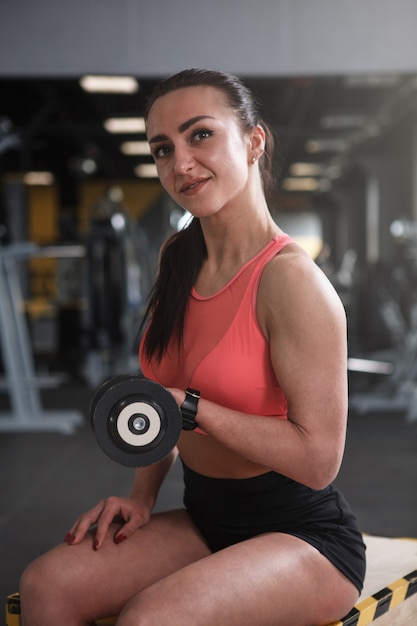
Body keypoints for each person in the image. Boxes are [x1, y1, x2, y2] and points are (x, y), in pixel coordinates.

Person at [20, 68, 366, 626]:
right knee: (46, 587)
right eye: (162, 148)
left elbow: (319, 461)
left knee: (151, 619)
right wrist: (141, 496)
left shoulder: (291, 281)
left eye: (200, 134)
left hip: (303, 534)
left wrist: (191, 407)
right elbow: (158, 399)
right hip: (207, 518)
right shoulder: (176, 258)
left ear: (254, 142)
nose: (179, 163)